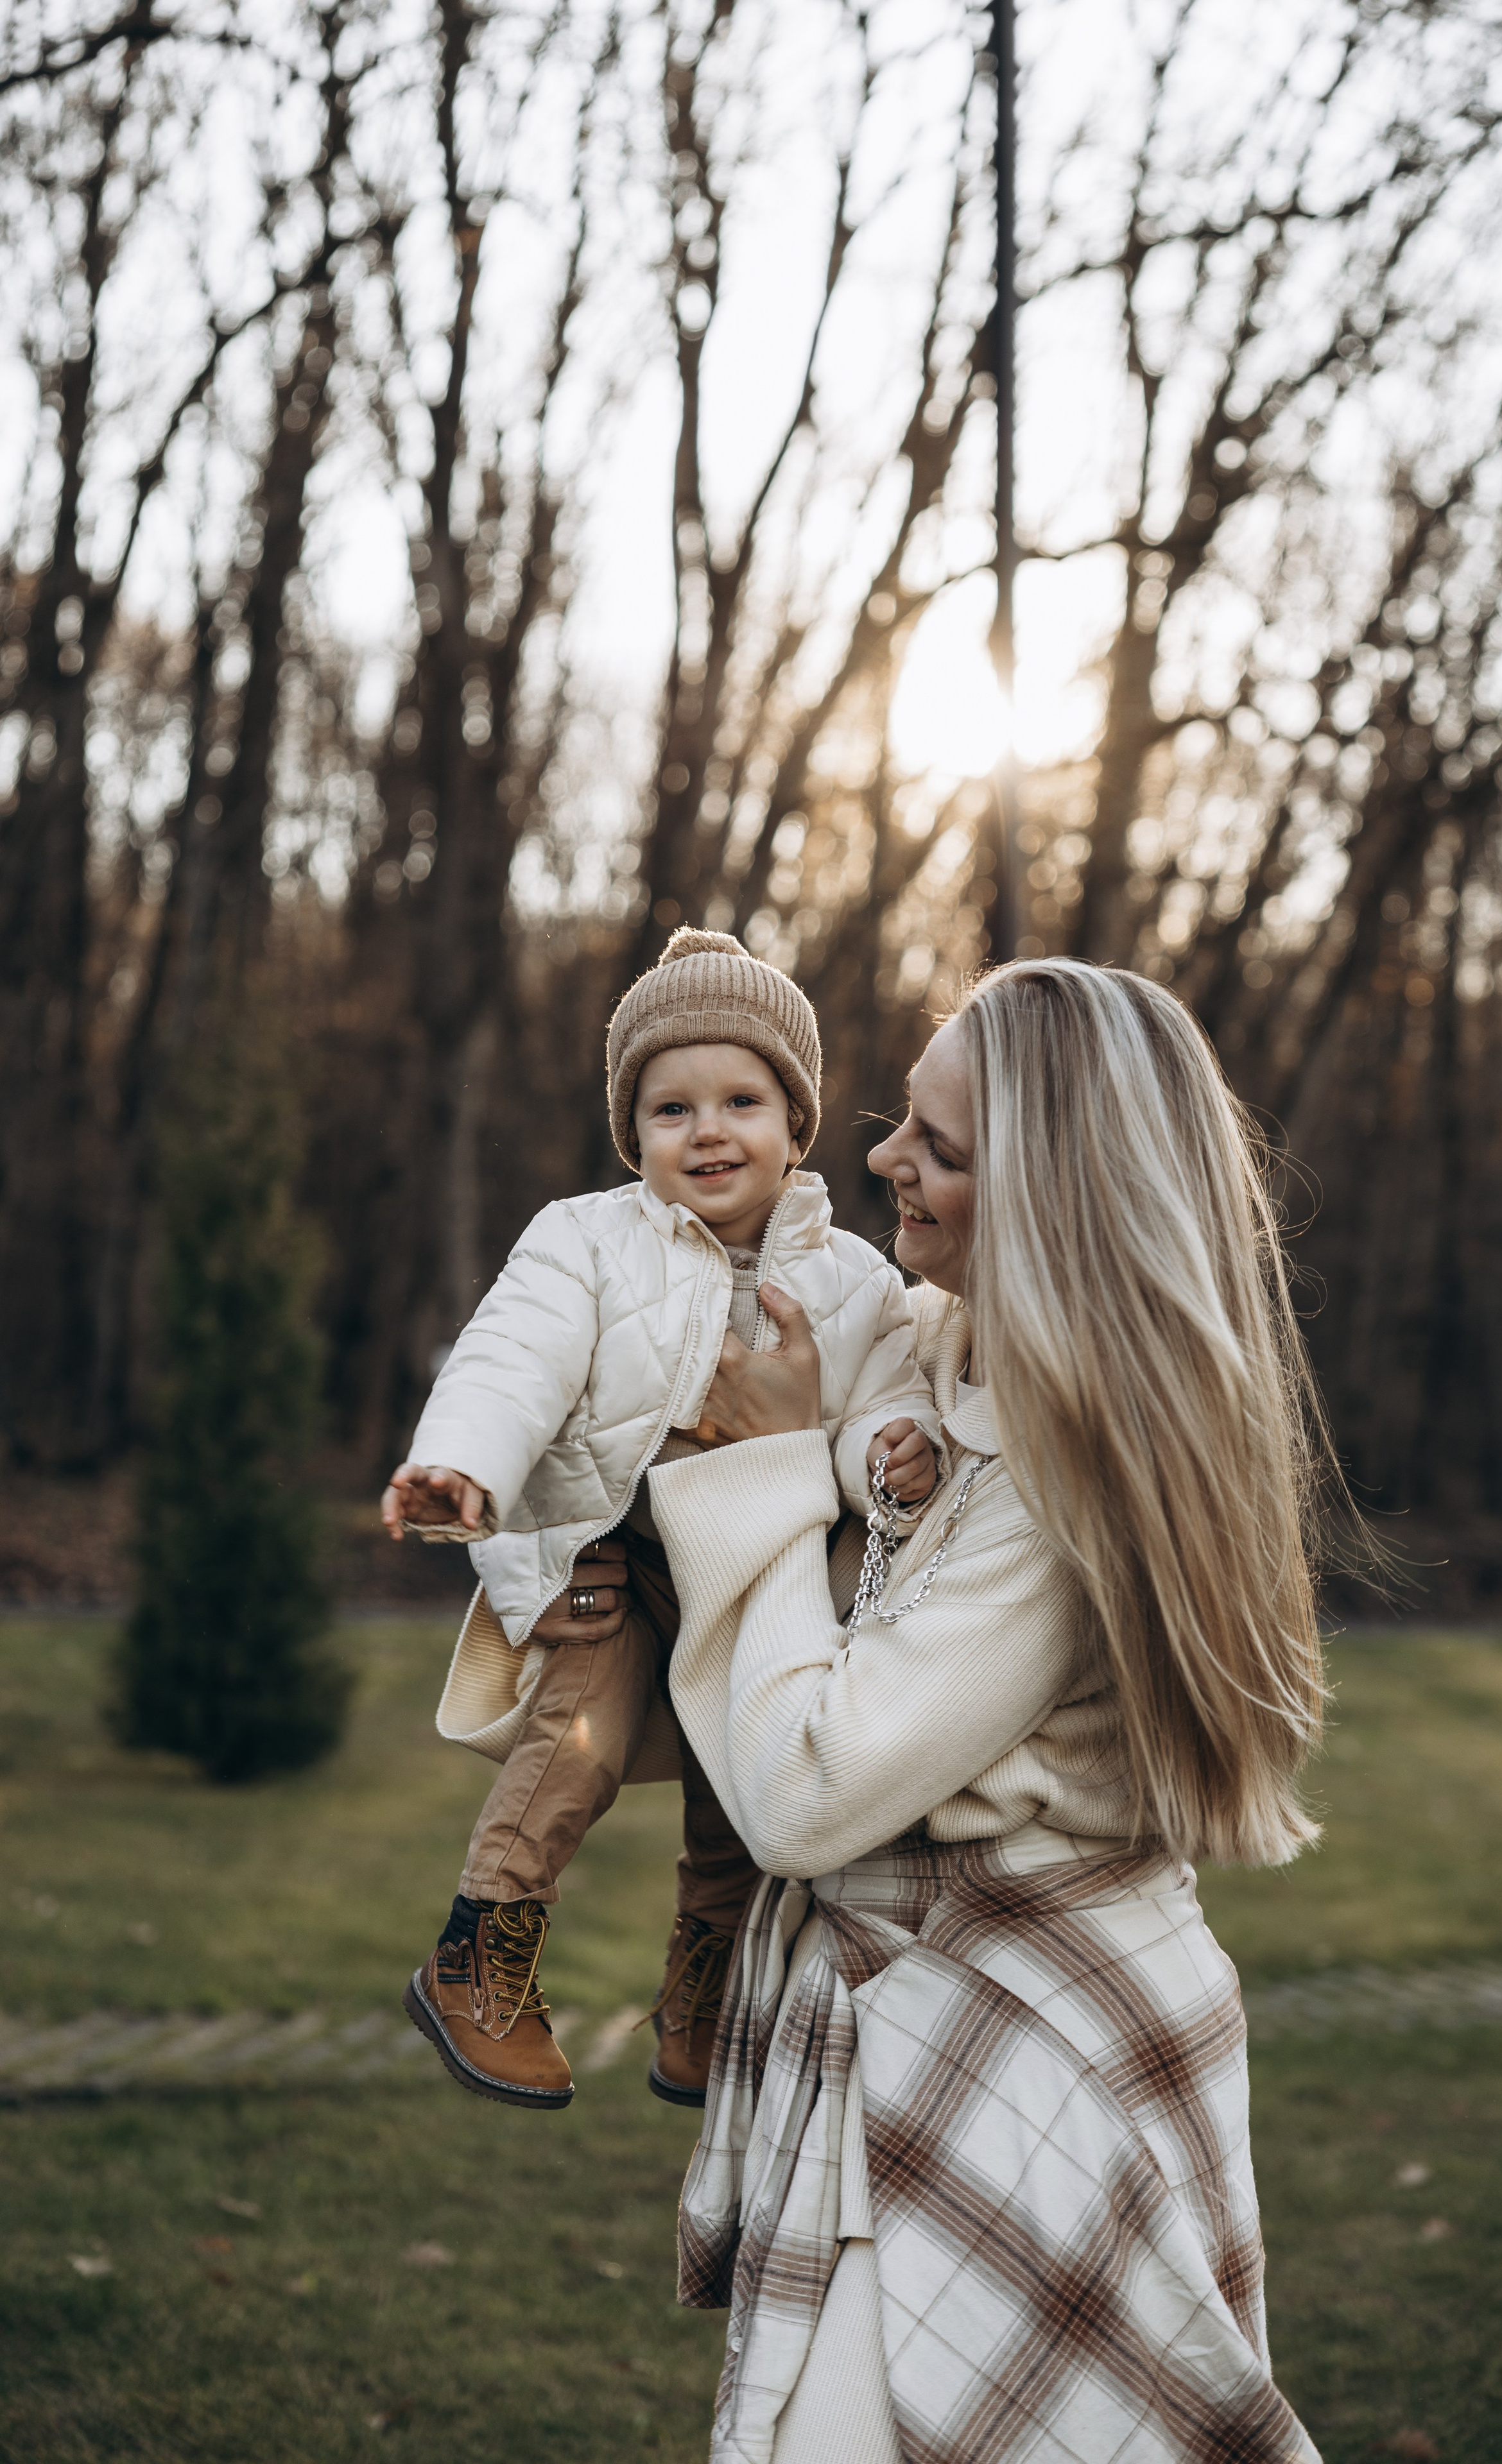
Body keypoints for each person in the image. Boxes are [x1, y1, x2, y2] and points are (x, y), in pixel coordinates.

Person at [648, 957, 1326, 2463]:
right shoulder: (932, 1343)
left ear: (1053, 1205)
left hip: (1023, 2033)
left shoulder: (1065, 1482)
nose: (881, 1156)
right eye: (904, 1118)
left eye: (939, 1148)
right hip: (905, 2001)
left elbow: (808, 1789)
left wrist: (751, 1478)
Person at [380, 928, 941, 2112]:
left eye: (742, 1099)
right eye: (670, 1108)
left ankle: (707, 1992)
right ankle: (481, 1952)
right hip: (613, 1557)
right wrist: (460, 1463)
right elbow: (512, 1360)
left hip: (746, 1568)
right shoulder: (585, 1240)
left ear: (797, 1123)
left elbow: (874, 1407)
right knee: (576, 1739)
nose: (709, 1131)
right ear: (632, 1133)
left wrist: (891, 1459)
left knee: (743, 1787)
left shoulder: (855, 1279)